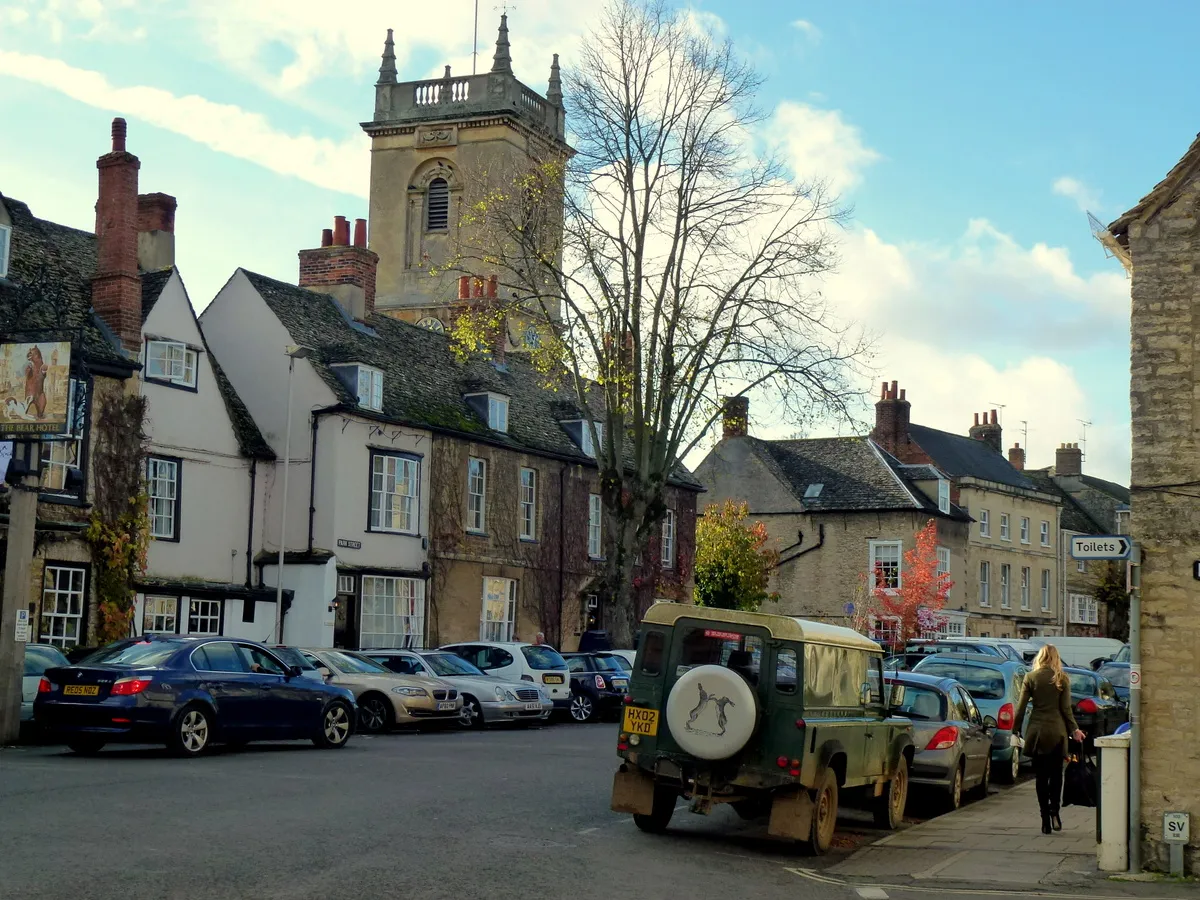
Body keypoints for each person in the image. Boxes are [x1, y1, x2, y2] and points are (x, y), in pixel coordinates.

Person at [1014, 644, 1086, 834]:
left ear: (1040, 657)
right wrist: (1075, 730)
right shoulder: (1061, 679)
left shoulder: (1030, 678)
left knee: (1040, 777)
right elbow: (1066, 709)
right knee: (1056, 776)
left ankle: (1044, 818)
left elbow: (1021, 708)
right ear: (1055, 658)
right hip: (1057, 733)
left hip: (1037, 733)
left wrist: (1015, 730)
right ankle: (1055, 811)